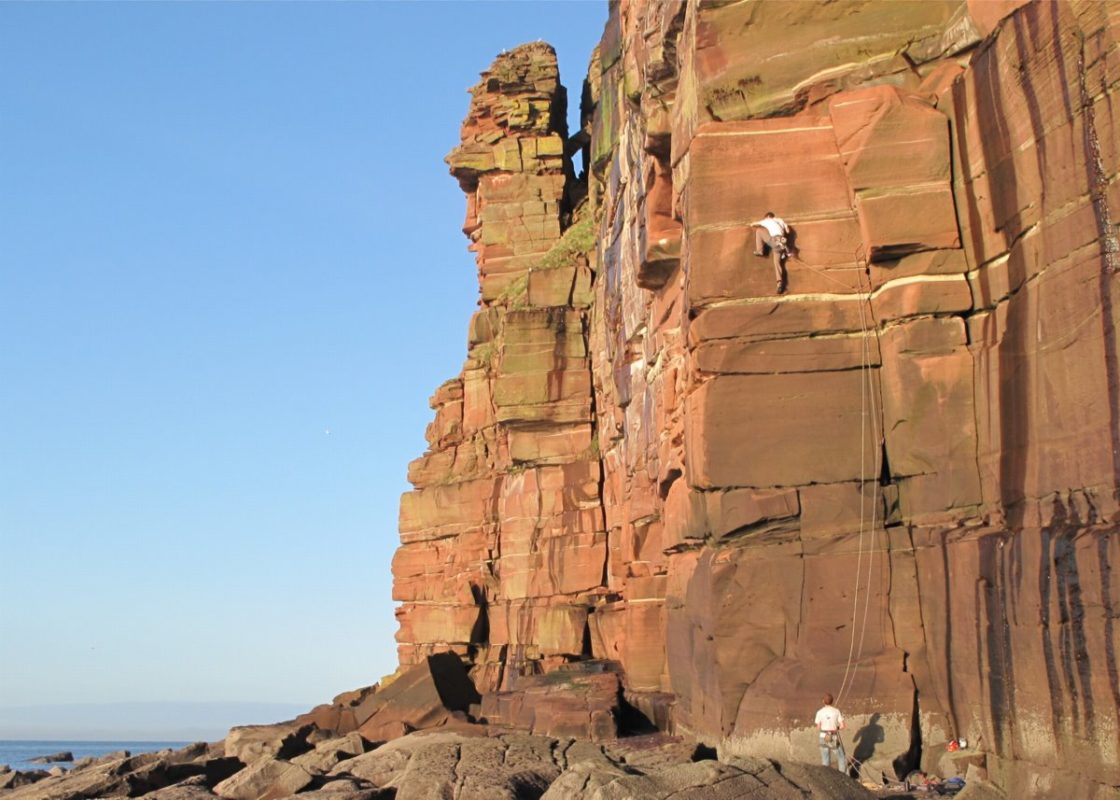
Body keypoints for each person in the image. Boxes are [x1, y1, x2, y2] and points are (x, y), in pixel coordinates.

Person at [750, 211, 791, 294]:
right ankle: (779, 284)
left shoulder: (767, 220)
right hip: (782, 243)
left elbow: (754, 224)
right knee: (776, 262)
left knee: (759, 230)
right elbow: (788, 231)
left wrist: (751, 224)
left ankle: (760, 251)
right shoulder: (780, 220)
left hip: (775, 241)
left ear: (768, 216)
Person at [815, 693, 847, 772]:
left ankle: (826, 777)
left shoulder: (819, 712)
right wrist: (836, 728)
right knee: (841, 757)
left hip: (823, 737)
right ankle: (843, 776)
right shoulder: (836, 711)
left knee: (825, 759)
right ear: (832, 701)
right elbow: (842, 726)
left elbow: (818, 727)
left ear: (823, 701)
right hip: (833, 737)